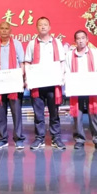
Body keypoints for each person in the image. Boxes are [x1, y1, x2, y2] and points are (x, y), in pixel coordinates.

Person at [24, 17, 66, 150]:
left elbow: (62, 61)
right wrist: (27, 79)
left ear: (49, 27)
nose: (43, 27)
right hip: (37, 84)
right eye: (40, 25)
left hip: (53, 83)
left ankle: (56, 138)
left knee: (54, 113)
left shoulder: (57, 42)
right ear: (36, 27)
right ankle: (39, 138)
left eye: (45, 25)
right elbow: (27, 62)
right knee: (38, 113)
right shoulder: (32, 44)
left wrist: (61, 76)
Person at [0, 22, 26, 150]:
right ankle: (2, 139)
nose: (4, 31)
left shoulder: (17, 44)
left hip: (14, 83)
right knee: (1, 114)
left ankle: (19, 139)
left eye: (6, 28)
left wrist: (21, 79)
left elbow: (22, 63)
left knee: (17, 113)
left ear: (10, 30)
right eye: (2, 28)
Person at [66, 30, 97, 150]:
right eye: (78, 38)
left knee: (94, 114)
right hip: (76, 88)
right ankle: (79, 139)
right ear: (75, 41)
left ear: (87, 39)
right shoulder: (70, 54)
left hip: (91, 87)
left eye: (83, 38)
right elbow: (67, 71)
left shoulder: (94, 53)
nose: (81, 41)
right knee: (77, 114)